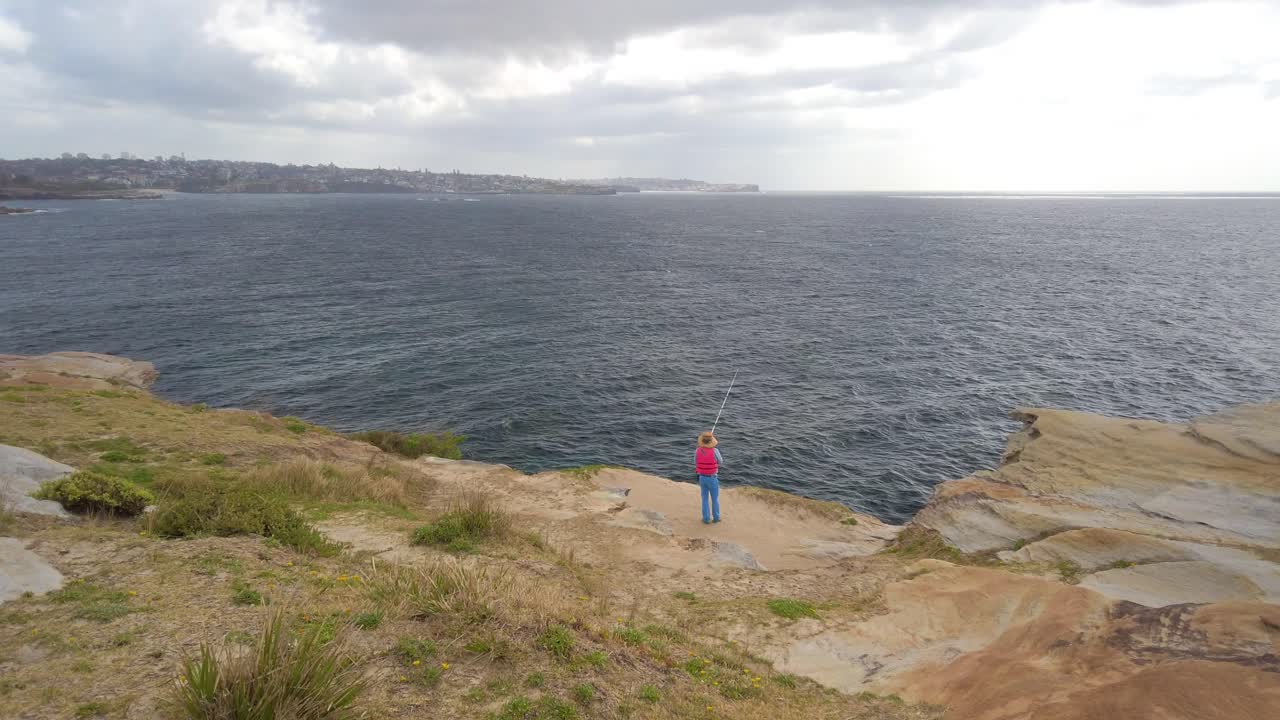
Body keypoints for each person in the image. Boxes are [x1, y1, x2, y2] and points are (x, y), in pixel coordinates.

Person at [695, 431, 723, 524]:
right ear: (711, 441)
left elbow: (695, 461)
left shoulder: (697, 450)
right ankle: (716, 518)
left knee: (705, 499)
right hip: (712, 477)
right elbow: (720, 461)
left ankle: (706, 519)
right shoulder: (715, 451)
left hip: (702, 477)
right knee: (715, 499)